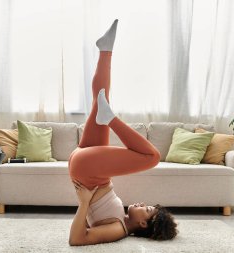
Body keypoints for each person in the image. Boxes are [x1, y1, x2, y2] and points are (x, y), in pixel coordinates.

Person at [68, 19, 178, 246]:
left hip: (87, 170)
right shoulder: (121, 219)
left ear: (144, 224)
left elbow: (77, 240)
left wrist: (84, 204)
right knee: (100, 100)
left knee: (153, 157)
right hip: (87, 166)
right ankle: (105, 50)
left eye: (146, 209)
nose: (141, 204)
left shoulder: (118, 230)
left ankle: (110, 119)